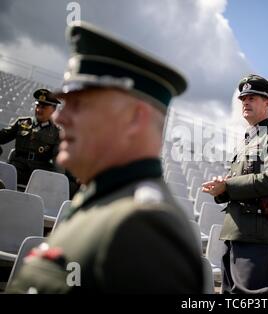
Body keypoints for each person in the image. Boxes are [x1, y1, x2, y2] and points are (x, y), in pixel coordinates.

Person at [8, 21, 203, 294]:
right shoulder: (105, 201)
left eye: (79, 103)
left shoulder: (145, 231)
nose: (61, 116)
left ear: (135, 119)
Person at [202, 74, 268, 294]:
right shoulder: (246, 143)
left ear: (267, 103)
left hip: (258, 235)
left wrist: (229, 187)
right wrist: (221, 189)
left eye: (252, 97)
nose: (246, 102)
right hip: (235, 232)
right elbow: (238, 183)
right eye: (243, 98)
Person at [0, 88, 60, 188]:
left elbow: (58, 163)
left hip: (38, 177)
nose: (38, 110)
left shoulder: (57, 133)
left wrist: (56, 182)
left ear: (53, 110)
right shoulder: (22, 123)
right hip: (16, 170)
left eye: (43, 107)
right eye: (37, 106)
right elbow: (2, 137)